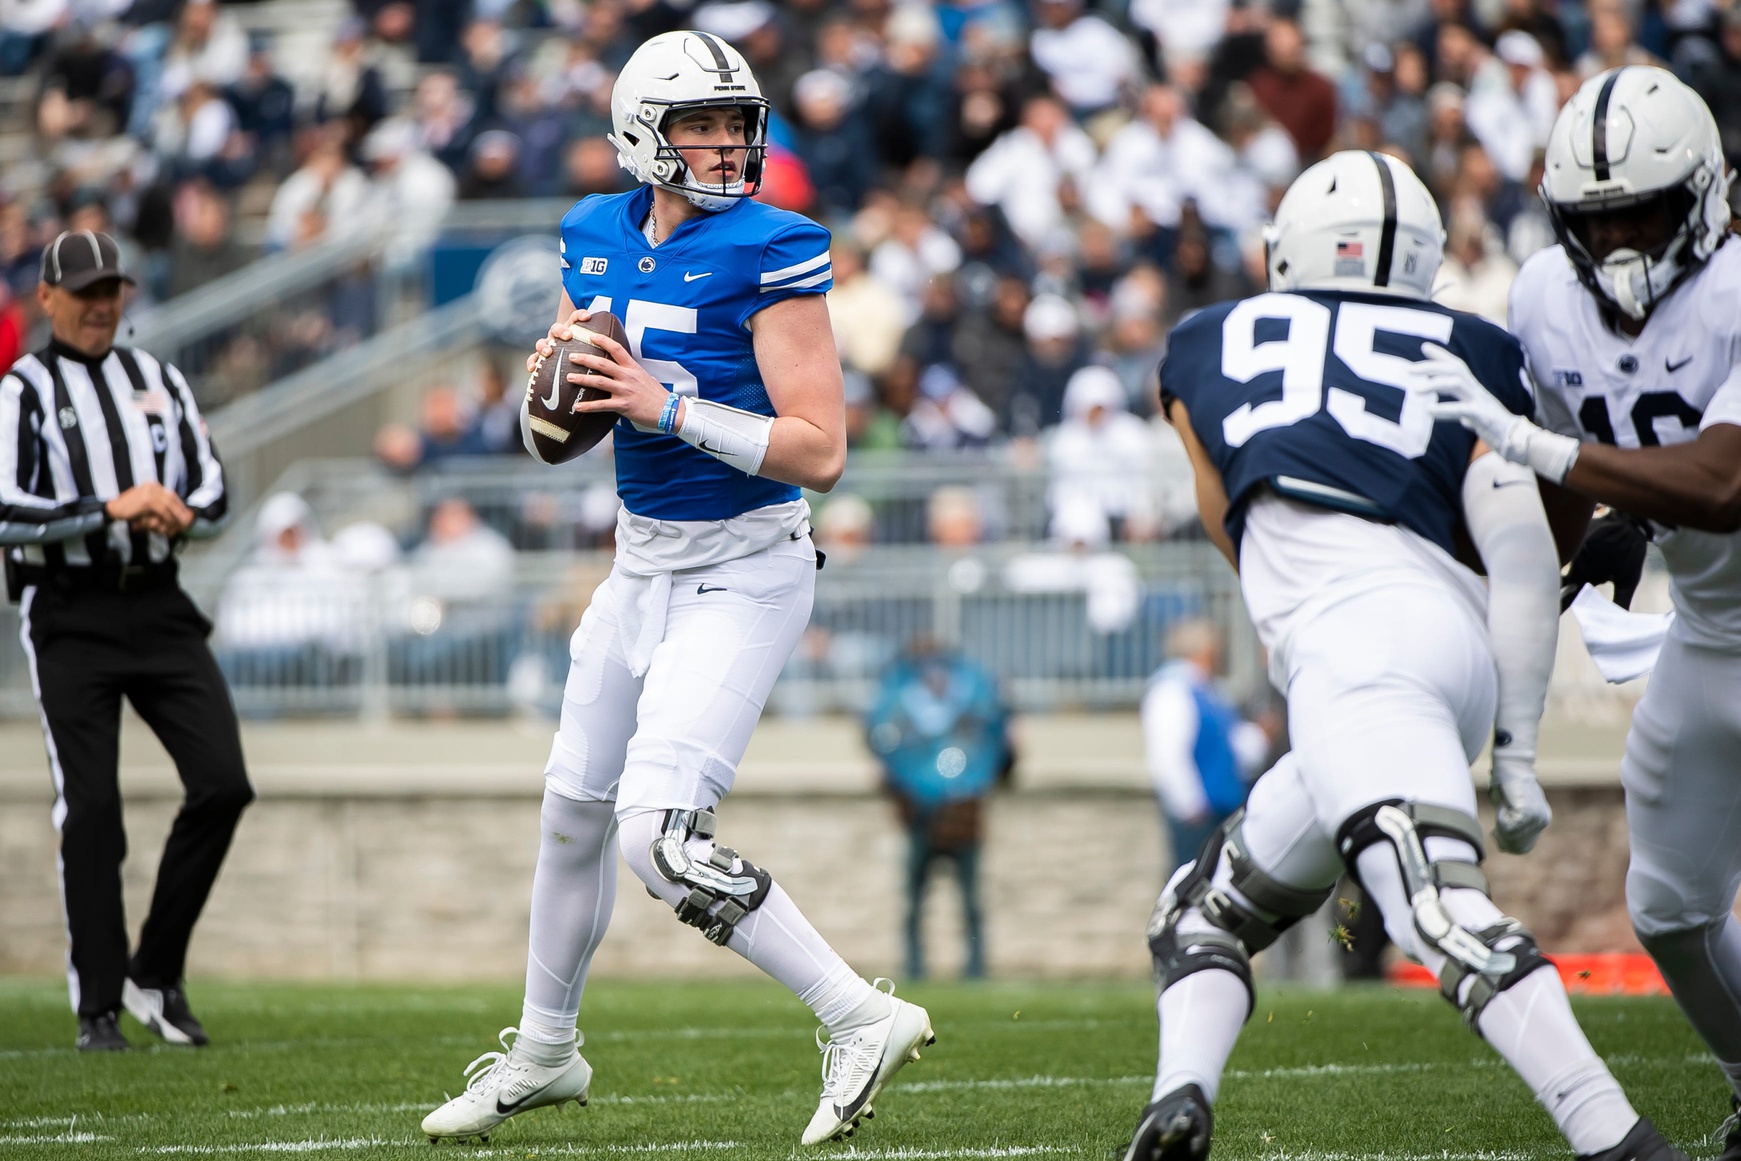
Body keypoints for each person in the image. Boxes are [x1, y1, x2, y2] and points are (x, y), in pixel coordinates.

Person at [420, 31, 933, 1148]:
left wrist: (663, 407)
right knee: (571, 817)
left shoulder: (775, 245)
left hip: (746, 566)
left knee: (657, 838)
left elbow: (820, 450)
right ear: (641, 133)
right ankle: (545, 1051)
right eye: (700, 124)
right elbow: (569, 395)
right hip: (638, 562)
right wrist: (556, 386)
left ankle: (858, 1016)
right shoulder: (591, 233)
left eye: (736, 123)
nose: (727, 145)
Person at [1124, 151, 1685, 1161]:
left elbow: (1227, 517)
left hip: (1353, 657)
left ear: (1284, 251)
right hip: (1448, 647)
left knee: (1438, 912)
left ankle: (1623, 1142)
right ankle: (1176, 1105)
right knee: (1198, 914)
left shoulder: (1207, 340)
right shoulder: (1480, 344)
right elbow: (1531, 542)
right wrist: (1512, 738)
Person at [1420, 67, 1741, 1157]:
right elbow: (1574, 484)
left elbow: (1720, 480)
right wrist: (1518, 598)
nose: (1618, 246)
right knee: (1669, 910)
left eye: (1641, 214)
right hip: (1709, 625)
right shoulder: (1545, 300)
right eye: (1594, 223)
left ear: (1700, 196)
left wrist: (1534, 447)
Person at [0, 231, 249, 1052]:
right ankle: (97, 1004)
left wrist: (180, 508)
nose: (101, 304)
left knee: (222, 782)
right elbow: (5, 509)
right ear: (47, 298)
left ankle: (156, 971)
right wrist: (109, 507)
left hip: (160, 603)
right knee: (94, 810)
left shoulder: (158, 377)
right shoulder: (22, 392)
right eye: (84, 291)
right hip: (69, 613)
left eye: (111, 289)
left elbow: (211, 477)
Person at [865, 638, 1013, 981]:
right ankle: (915, 971)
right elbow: (880, 740)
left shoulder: (969, 697)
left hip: (964, 813)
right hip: (920, 816)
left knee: (970, 902)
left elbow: (998, 739)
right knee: (915, 904)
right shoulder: (903, 704)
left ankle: (976, 971)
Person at [1141, 619, 1265, 873]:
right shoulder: (1172, 689)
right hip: (1199, 816)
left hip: (1220, 811)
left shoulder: (1208, 688)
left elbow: (1233, 743)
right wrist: (1190, 805)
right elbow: (1168, 755)